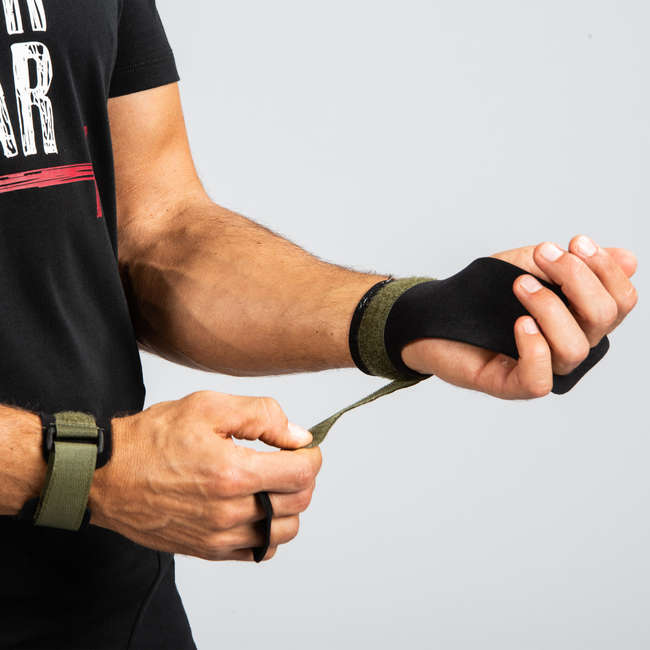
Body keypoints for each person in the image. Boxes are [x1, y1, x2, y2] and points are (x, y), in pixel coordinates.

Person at [0, 1, 638, 649]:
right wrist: (83, 472)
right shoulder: (91, 477)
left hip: (110, 610)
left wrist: (406, 315)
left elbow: (154, 234)